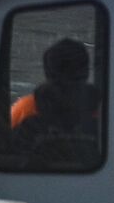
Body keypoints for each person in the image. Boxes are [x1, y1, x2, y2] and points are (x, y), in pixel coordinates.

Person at [5, 38, 100, 168]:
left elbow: (6, 152)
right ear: (86, 72)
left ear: (47, 72)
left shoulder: (24, 109)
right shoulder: (108, 111)